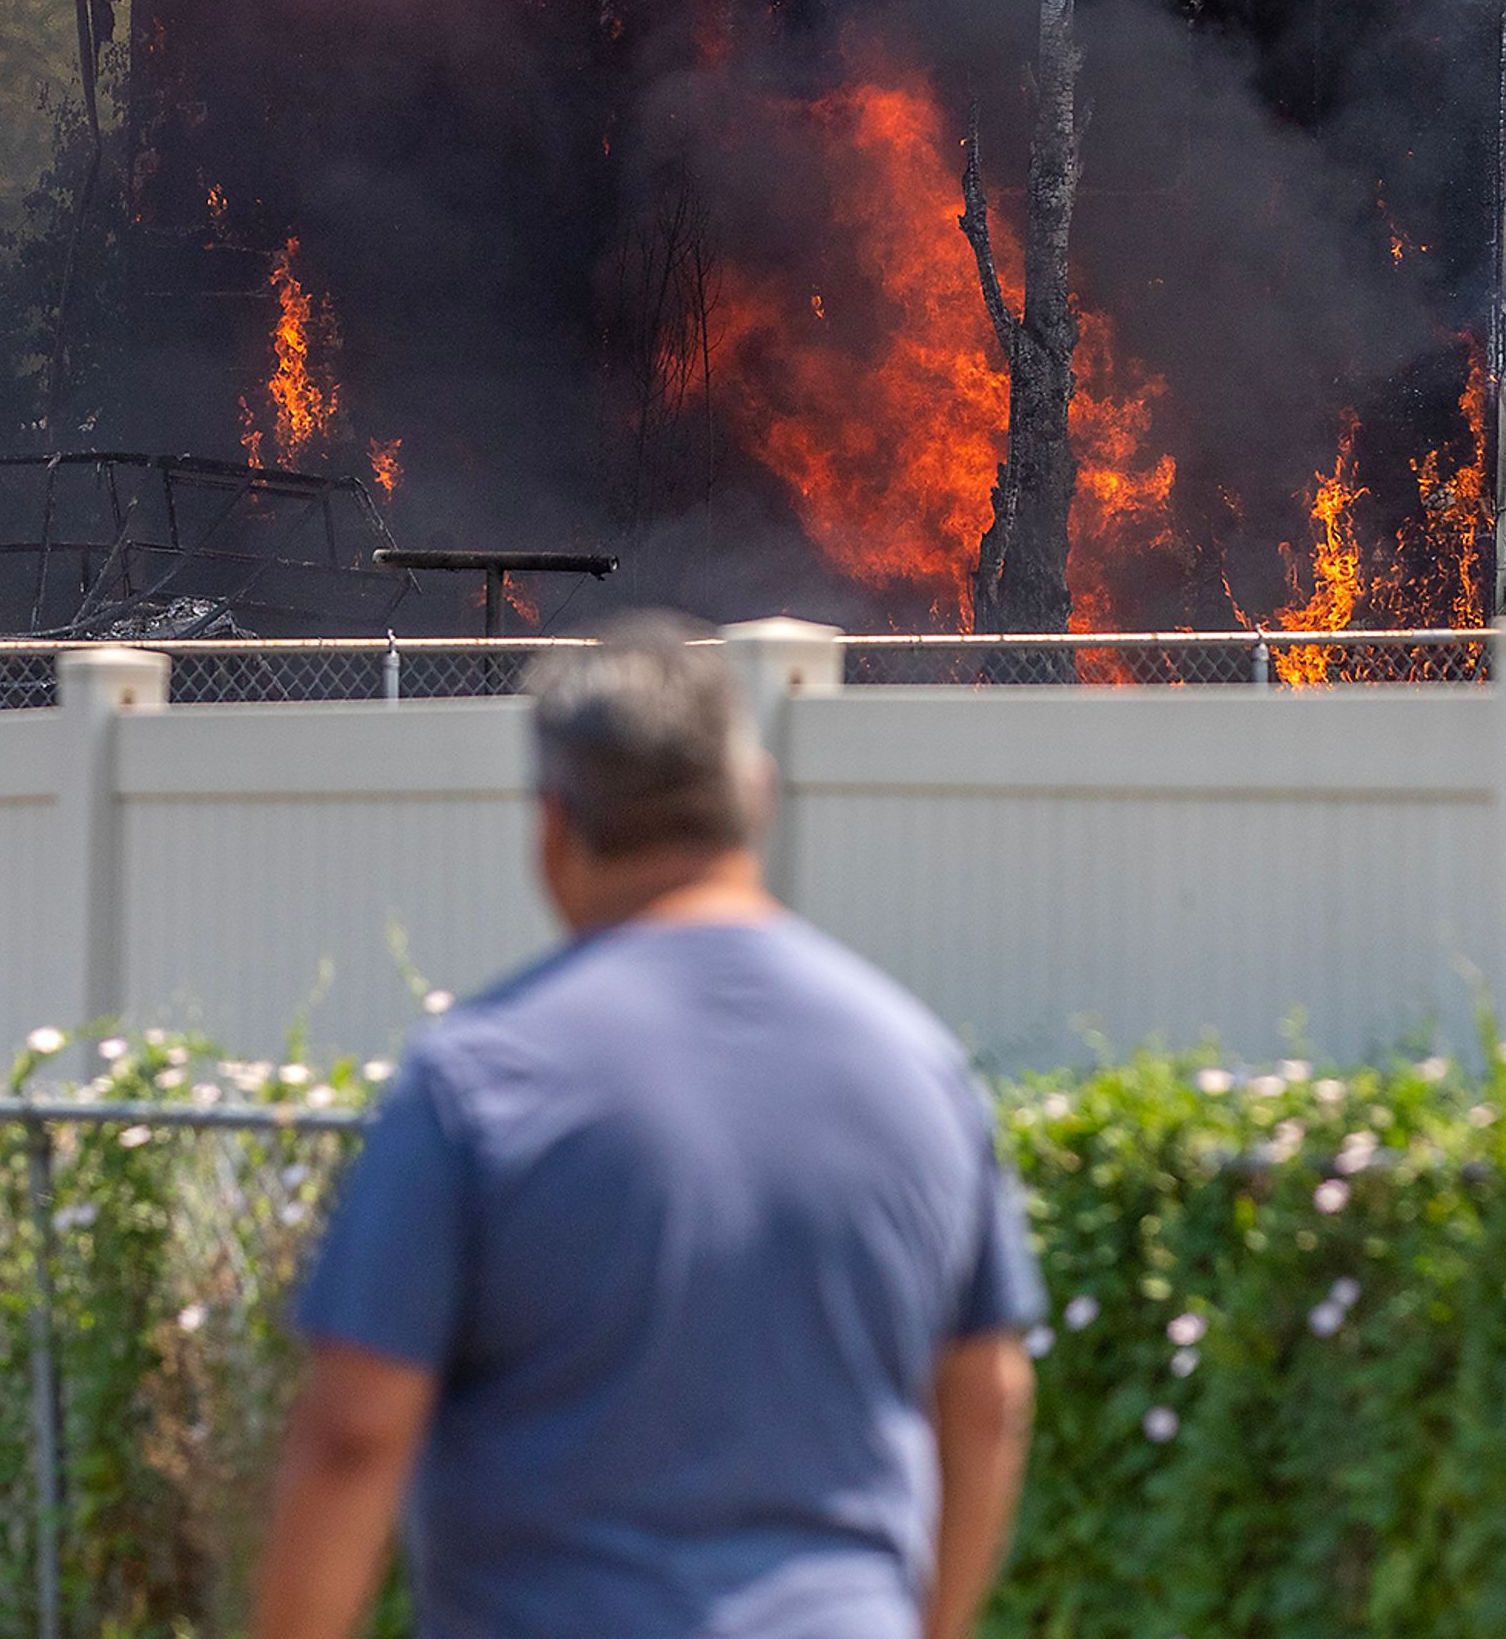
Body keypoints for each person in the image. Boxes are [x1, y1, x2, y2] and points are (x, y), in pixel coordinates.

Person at [253, 614, 1042, 1639]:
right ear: (754, 800)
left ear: (552, 825)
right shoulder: (920, 1068)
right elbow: (987, 1397)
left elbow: (357, 1428)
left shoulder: (477, 1080)